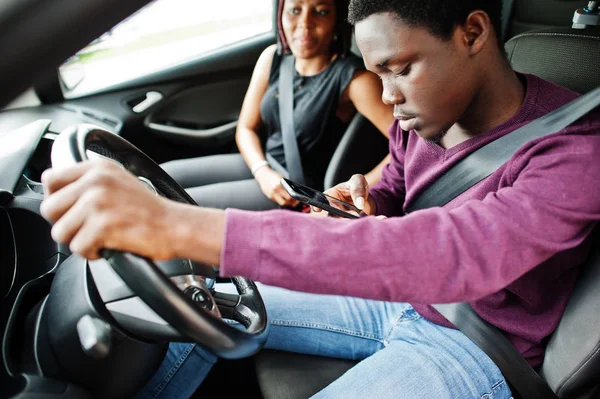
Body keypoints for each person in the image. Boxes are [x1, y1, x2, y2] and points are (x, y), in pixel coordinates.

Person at [40, 0, 600, 398]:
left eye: (401, 69)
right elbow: (396, 188)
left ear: (473, 33)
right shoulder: (422, 115)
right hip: (394, 298)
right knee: (202, 304)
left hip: (476, 343)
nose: (386, 97)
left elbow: (450, 251)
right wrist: (370, 198)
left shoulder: (574, 152)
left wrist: (177, 226)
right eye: (377, 72)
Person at [160, 0, 393, 211]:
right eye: (295, 10)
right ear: (281, 13)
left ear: (336, 20)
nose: (305, 23)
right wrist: (261, 171)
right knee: (161, 175)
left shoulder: (354, 79)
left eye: (320, 12)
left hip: (294, 192)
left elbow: (405, 147)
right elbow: (245, 128)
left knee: (175, 203)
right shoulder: (273, 59)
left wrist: (349, 193)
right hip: (262, 164)